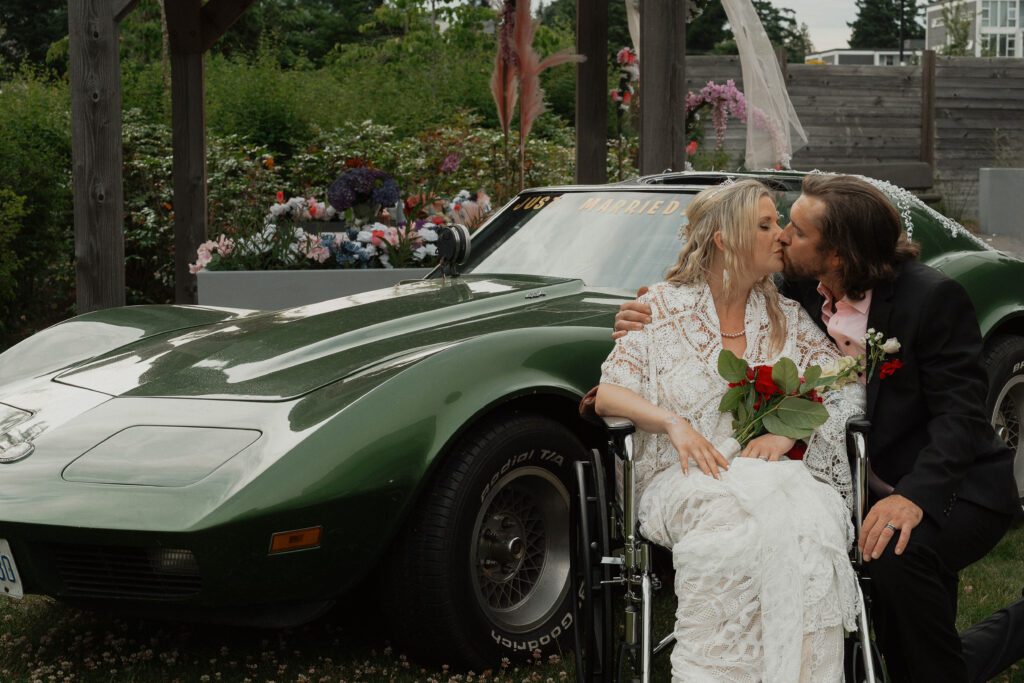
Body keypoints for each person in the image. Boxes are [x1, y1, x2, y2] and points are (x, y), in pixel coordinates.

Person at [614, 174, 1022, 683]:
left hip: (953, 486)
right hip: (851, 484)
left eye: (797, 231)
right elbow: (719, 292)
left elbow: (960, 417)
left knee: (895, 563)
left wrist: (912, 497)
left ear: (836, 256)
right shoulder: (798, 289)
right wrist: (641, 315)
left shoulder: (932, 300)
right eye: (779, 224)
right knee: (900, 612)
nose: (783, 235)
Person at [596, 178, 862, 682]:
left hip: (771, 474)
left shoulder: (784, 316)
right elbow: (611, 392)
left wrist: (784, 435)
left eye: (779, 223)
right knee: (733, 534)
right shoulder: (661, 308)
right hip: (682, 476)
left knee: (815, 528)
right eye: (765, 225)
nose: (781, 234)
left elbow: (841, 376)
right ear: (724, 238)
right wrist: (673, 423)